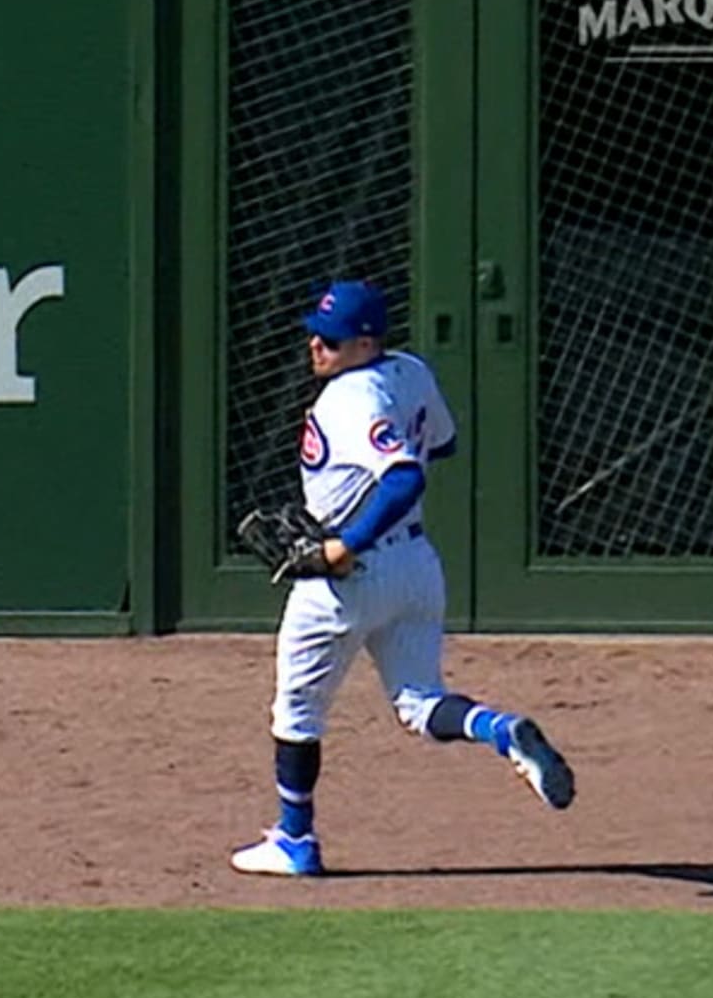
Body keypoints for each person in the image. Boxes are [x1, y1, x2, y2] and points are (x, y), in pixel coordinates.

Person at [233, 279, 577, 878]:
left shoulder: (349, 397)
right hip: (415, 567)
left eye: (332, 341)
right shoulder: (409, 371)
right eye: (314, 335)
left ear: (364, 343)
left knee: (296, 713)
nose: (316, 347)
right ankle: (501, 731)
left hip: (348, 578)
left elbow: (403, 477)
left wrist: (346, 540)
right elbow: (441, 445)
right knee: (419, 703)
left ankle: (295, 840)